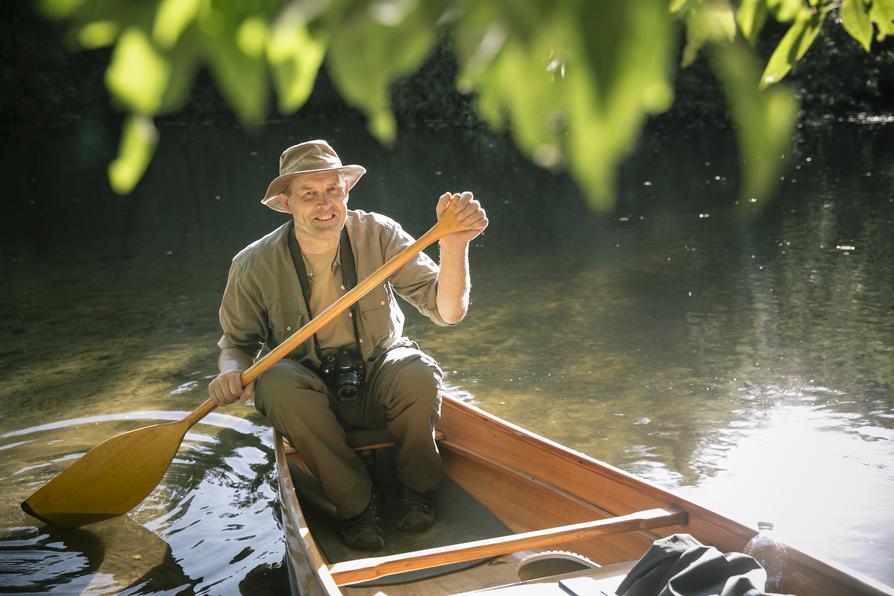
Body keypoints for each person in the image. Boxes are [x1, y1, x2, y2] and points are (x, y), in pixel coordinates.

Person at [208, 140, 488, 551]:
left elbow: (448, 311)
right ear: (286, 203)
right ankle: (357, 507)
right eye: (309, 194)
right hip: (311, 395)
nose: (325, 205)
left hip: (380, 375)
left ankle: (417, 491)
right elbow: (237, 343)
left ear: (347, 192)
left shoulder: (380, 233)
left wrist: (455, 244)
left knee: (418, 370)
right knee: (274, 381)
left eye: (333, 190)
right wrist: (229, 371)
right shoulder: (253, 264)